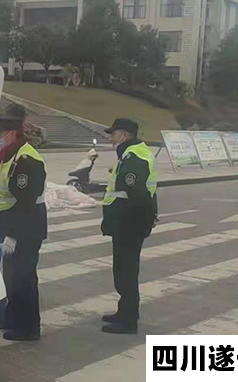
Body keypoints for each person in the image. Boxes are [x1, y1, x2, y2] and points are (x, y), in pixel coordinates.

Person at [0, 103, 47, 341]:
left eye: (0, 135)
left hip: (27, 228)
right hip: (11, 224)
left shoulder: (27, 160)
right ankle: (12, 317)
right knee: (12, 276)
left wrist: (13, 235)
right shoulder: (10, 155)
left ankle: (30, 327)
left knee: (24, 277)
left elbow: (26, 203)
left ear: (12, 134)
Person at [100, 118, 158, 334]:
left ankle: (128, 320)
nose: (111, 138)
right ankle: (124, 312)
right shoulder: (131, 154)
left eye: (114, 134)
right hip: (128, 223)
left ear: (124, 135)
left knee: (126, 271)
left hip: (129, 224)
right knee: (124, 269)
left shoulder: (134, 157)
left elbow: (137, 194)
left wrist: (143, 219)